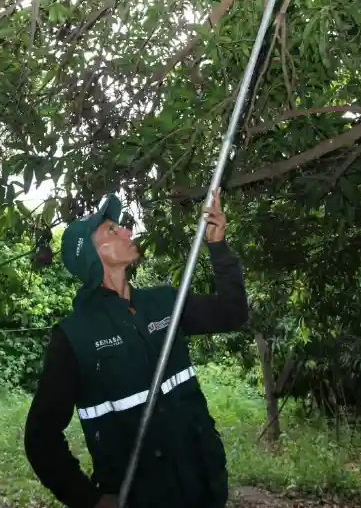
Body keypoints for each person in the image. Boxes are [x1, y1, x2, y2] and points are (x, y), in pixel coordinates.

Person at [23, 189, 248, 508]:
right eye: (112, 230)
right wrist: (91, 500)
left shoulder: (165, 302)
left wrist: (218, 245)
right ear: (92, 253)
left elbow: (232, 312)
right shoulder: (74, 336)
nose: (127, 230)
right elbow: (41, 437)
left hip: (203, 486)